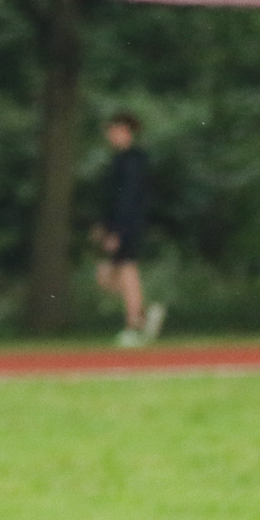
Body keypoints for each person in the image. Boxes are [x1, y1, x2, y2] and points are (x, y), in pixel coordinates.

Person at [93, 111, 165, 347]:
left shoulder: (133, 161)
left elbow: (128, 200)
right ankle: (143, 312)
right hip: (119, 226)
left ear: (126, 132)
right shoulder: (121, 160)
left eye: (114, 130)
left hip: (127, 226)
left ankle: (134, 324)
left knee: (126, 271)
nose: (110, 135)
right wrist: (104, 226)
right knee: (107, 278)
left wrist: (116, 231)